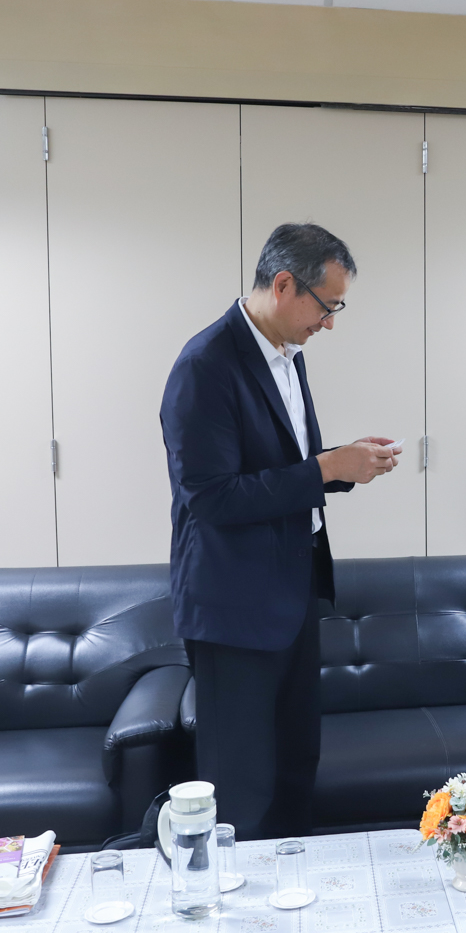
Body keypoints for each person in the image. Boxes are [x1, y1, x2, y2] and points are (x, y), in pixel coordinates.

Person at [160, 222, 400, 839]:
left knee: (296, 763)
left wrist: (345, 464)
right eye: (327, 306)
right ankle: (233, 895)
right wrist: (326, 468)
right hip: (234, 605)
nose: (329, 323)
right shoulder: (205, 364)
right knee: (242, 782)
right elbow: (211, 497)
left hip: (292, 592)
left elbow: (282, 466)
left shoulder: (289, 358)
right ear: (285, 284)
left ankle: (295, 887)